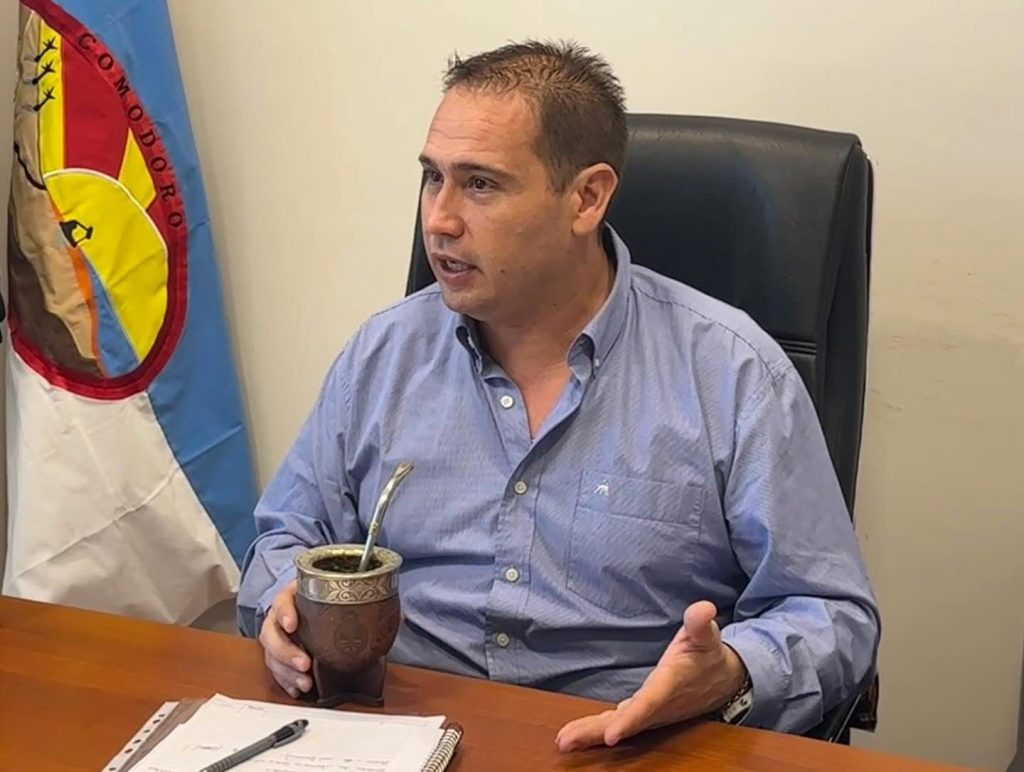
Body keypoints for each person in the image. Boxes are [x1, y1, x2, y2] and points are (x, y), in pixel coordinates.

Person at [238, 40, 879, 752]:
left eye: (481, 185)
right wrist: (282, 608)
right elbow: (285, 538)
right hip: (394, 735)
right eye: (432, 177)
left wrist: (731, 671)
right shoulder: (382, 354)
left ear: (587, 198)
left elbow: (833, 614)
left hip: (626, 746)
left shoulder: (732, 372)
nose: (439, 220)